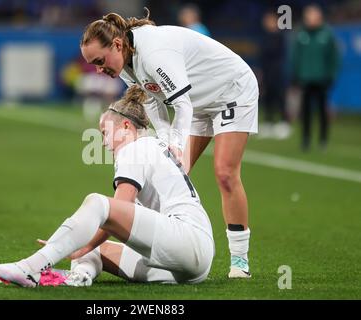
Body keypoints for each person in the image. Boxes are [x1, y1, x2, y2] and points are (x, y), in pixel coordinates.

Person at [80, 9, 258, 278]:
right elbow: (153, 102)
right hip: (198, 100)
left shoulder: (152, 53)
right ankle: (167, 246)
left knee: (224, 173)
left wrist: (174, 142)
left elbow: (181, 104)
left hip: (230, 90)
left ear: (117, 44)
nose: (99, 69)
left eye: (100, 60)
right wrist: (165, 141)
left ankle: (239, 261)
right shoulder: (127, 63)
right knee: (174, 173)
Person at [0, 86, 214, 287]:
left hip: (185, 241)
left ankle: (29, 267)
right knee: (94, 249)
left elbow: (119, 209)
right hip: (190, 262)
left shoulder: (135, 149)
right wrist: (86, 245)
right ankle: (78, 278)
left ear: (125, 126)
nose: (103, 141)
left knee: (98, 203)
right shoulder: (152, 146)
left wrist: (78, 244)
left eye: (105, 132)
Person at [291, 4, 339, 151]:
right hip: (305, 78)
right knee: (305, 112)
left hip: (322, 79)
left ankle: (323, 140)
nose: (310, 19)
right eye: (308, 16)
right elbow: (295, 57)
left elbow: (333, 57)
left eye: (313, 16)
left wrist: (331, 75)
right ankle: (306, 139)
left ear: (319, 17)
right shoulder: (301, 34)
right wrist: (296, 75)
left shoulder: (327, 34)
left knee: (323, 111)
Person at [259, 10, 291, 140]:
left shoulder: (280, 36)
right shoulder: (265, 37)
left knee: (280, 97)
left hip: (277, 73)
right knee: (268, 98)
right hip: (267, 73)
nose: (268, 23)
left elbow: (279, 55)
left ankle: (284, 123)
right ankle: (268, 123)